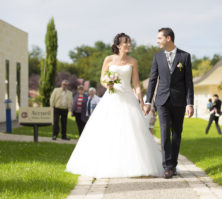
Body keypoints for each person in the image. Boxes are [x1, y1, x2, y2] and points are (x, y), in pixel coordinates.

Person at [66, 33, 164, 178]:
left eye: (129, 42)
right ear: (118, 45)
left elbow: (136, 84)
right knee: (108, 129)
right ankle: (106, 164)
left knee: (132, 131)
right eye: (126, 43)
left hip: (128, 98)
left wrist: (142, 102)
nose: (129, 45)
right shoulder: (109, 59)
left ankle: (135, 165)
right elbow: (102, 79)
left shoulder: (133, 61)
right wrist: (108, 84)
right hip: (111, 98)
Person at [144, 27, 194, 179]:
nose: (157, 41)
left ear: (168, 38)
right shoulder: (157, 57)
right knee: (165, 132)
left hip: (179, 101)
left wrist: (190, 103)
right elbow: (153, 80)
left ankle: (173, 164)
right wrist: (148, 101)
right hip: (162, 100)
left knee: (176, 133)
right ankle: (167, 166)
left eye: (159, 38)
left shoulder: (185, 56)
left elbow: (189, 82)